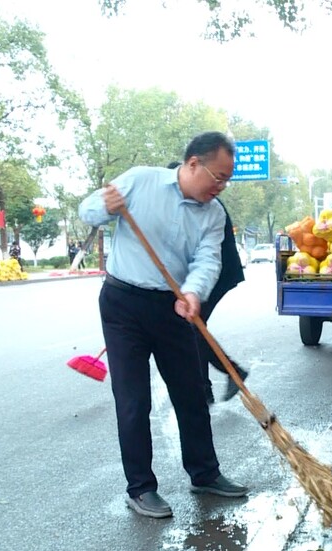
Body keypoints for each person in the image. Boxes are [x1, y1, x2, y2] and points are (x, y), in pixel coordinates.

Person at [79, 131, 248, 520]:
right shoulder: (141, 181)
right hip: (123, 303)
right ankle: (140, 488)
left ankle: (204, 473)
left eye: (227, 179)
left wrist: (193, 293)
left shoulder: (214, 214)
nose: (220, 186)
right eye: (217, 177)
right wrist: (105, 205)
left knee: (190, 392)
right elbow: (87, 212)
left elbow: (208, 260)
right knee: (134, 399)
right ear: (193, 164)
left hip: (173, 306)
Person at [162, 160, 251, 405]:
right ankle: (207, 387)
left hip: (218, 273)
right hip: (217, 272)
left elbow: (198, 251)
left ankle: (230, 373)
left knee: (193, 328)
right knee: (193, 328)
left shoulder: (205, 201)